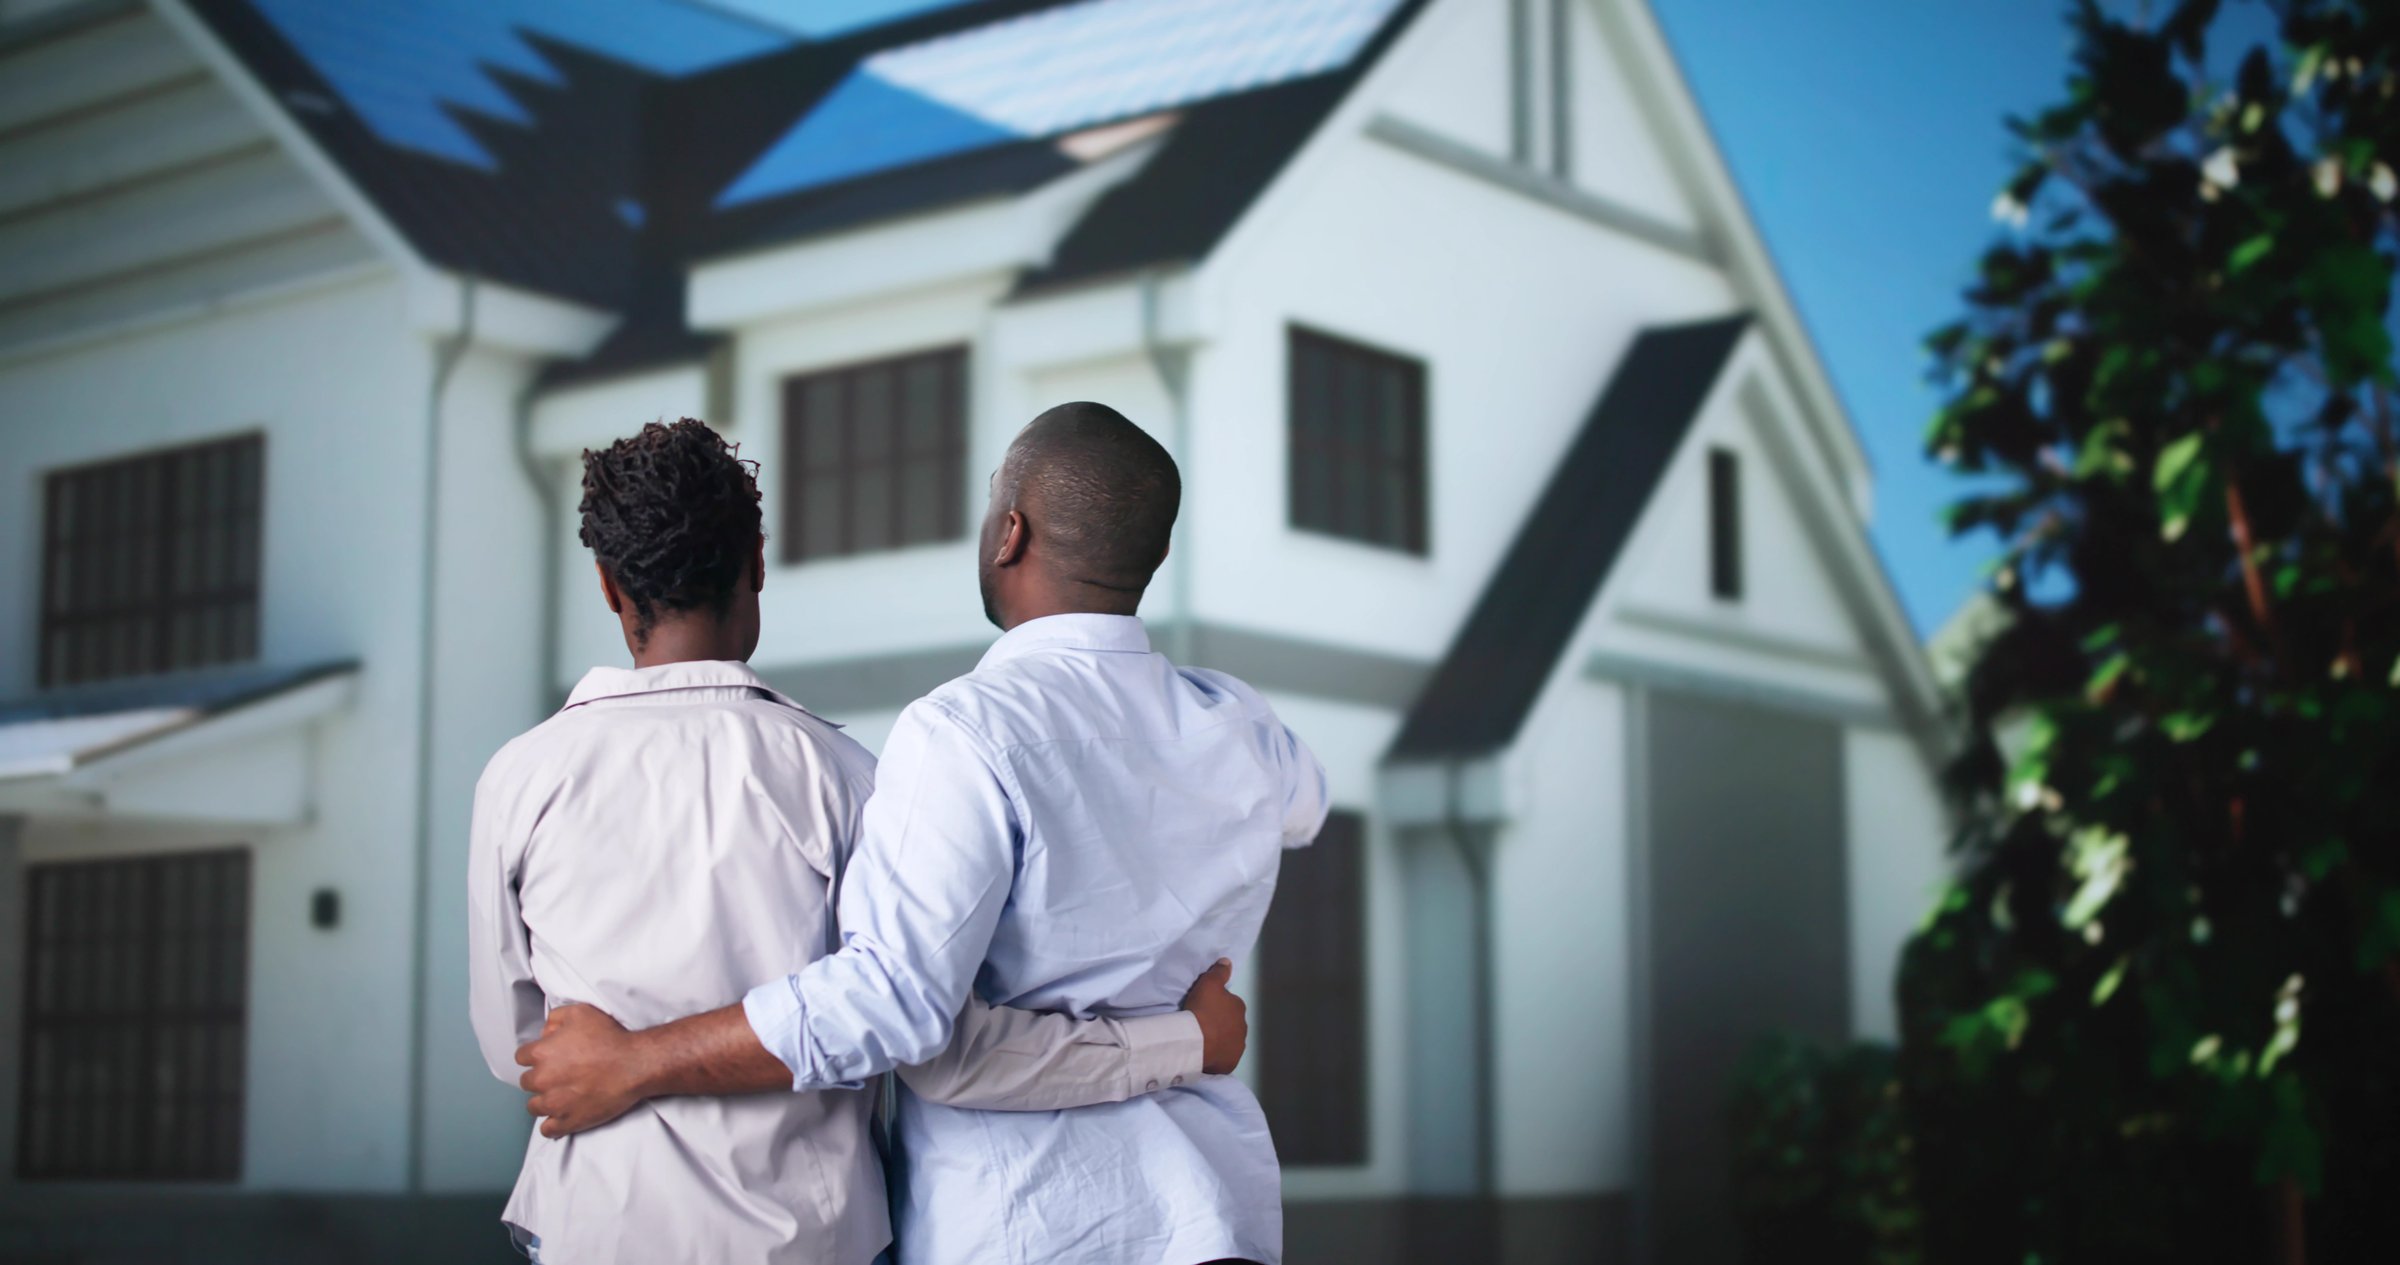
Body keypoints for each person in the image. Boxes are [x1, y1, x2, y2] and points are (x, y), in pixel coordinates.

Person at [517, 402, 1329, 1265]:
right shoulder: (1239, 722)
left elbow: (902, 1014)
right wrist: (1185, 1035)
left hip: (1031, 1226)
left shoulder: (963, 734)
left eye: (989, 506)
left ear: (1009, 533)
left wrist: (635, 1060)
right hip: (1213, 1214)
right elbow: (1306, 804)